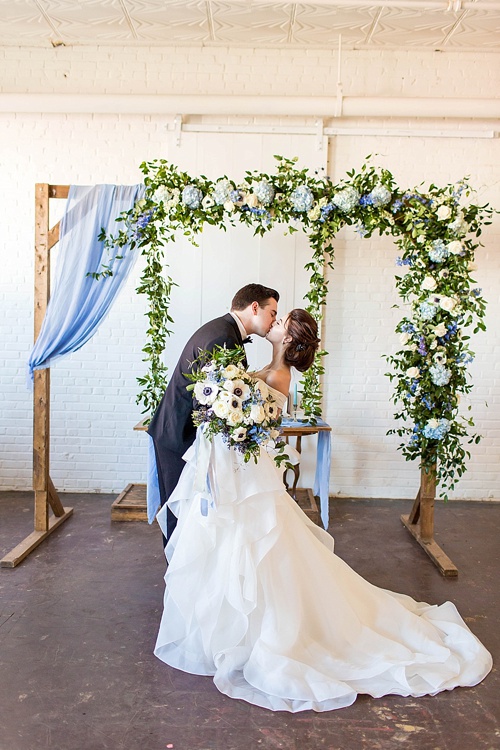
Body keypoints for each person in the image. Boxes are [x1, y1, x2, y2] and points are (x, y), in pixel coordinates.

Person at [154, 309, 492, 713]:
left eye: (280, 324)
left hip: (250, 476)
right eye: (275, 318)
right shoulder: (267, 368)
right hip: (242, 472)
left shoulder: (279, 376)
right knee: (239, 544)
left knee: (258, 545)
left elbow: (253, 416)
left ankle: (263, 632)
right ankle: (227, 627)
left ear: (286, 340)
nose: (273, 325)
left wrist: (231, 406)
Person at [147, 283, 279, 541]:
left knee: (191, 511)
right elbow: (209, 399)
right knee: (180, 510)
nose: (274, 320)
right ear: (255, 307)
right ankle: (177, 578)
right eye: (272, 312)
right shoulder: (223, 336)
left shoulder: (224, 330)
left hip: (181, 431)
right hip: (177, 435)